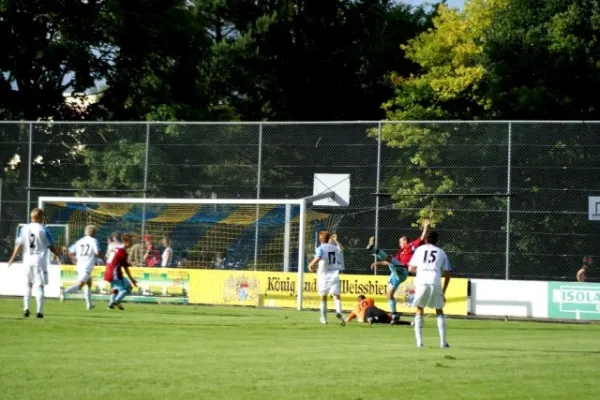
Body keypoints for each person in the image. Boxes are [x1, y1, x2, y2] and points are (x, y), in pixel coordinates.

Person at [367, 219, 430, 324]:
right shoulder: (400, 253)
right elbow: (388, 261)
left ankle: (375, 250)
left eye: (400, 242)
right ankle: (395, 315)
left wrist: (426, 226)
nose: (399, 244)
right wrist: (377, 263)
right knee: (389, 294)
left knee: (392, 260)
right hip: (396, 273)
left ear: (405, 241)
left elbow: (422, 237)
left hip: (403, 271)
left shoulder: (411, 246)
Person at [7, 208, 61, 318]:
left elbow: (19, 245)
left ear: (31, 217)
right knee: (40, 286)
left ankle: (26, 309)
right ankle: (39, 312)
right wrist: (58, 255)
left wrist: (12, 258)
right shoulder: (44, 229)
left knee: (28, 284)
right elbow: (51, 246)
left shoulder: (24, 229)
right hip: (39, 261)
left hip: (27, 261)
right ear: (41, 218)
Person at [408, 230, 452, 348]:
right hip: (435, 281)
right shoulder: (441, 252)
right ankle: (443, 342)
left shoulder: (419, 250)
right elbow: (448, 273)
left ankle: (419, 342)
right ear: (436, 240)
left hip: (422, 282)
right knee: (439, 309)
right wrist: (443, 291)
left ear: (425, 239)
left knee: (419, 308)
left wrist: (421, 271)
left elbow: (411, 269)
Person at [60, 225, 103, 310]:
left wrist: (75, 261)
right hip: (87, 266)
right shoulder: (94, 240)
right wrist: (103, 257)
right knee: (80, 285)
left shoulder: (80, 241)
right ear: (93, 232)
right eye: (95, 232)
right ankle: (64, 292)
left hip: (80, 265)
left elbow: (70, 252)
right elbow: (97, 252)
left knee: (89, 283)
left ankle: (89, 304)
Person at [308, 231, 345, 326]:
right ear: (329, 238)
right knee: (336, 295)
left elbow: (318, 257)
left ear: (320, 239)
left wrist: (311, 265)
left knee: (323, 296)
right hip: (334, 273)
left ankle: (324, 318)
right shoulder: (334, 248)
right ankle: (339, 312)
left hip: (323, 275)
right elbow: (341, 248)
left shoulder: (320, 248)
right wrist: (336, 241)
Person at [104, 234, 137, 310]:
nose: (132, 244)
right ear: (126, 242)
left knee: (116, 288)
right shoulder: (123, 252)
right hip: (115, 274)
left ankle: (111, 303)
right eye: (131, 242)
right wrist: (132, 280)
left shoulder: (116, 249)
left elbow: (117, 261)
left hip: (108, 272)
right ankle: (117, 301)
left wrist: (129, 264)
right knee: (128, 288)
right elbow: (125, 268)